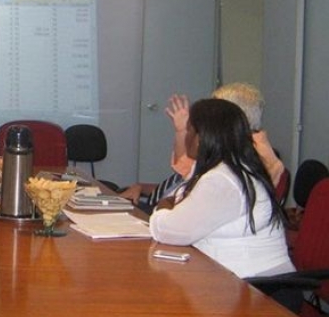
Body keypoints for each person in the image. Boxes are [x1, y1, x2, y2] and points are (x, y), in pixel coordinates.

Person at [149, 98, 294, 279]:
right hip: (233, 281)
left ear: (200, 138)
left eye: (189, 130)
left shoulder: (223, 180)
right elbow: (178, 200)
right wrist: (170, 206)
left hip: (257, 290)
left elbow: (170, 230)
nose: (186, 136)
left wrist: (163, 205)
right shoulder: (224, 166)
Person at [121, 83, 284, 211]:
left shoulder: (254, 156)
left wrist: (165, 208)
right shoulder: (232, 142)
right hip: (166, 208)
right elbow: (185, 168)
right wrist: (181, 131)